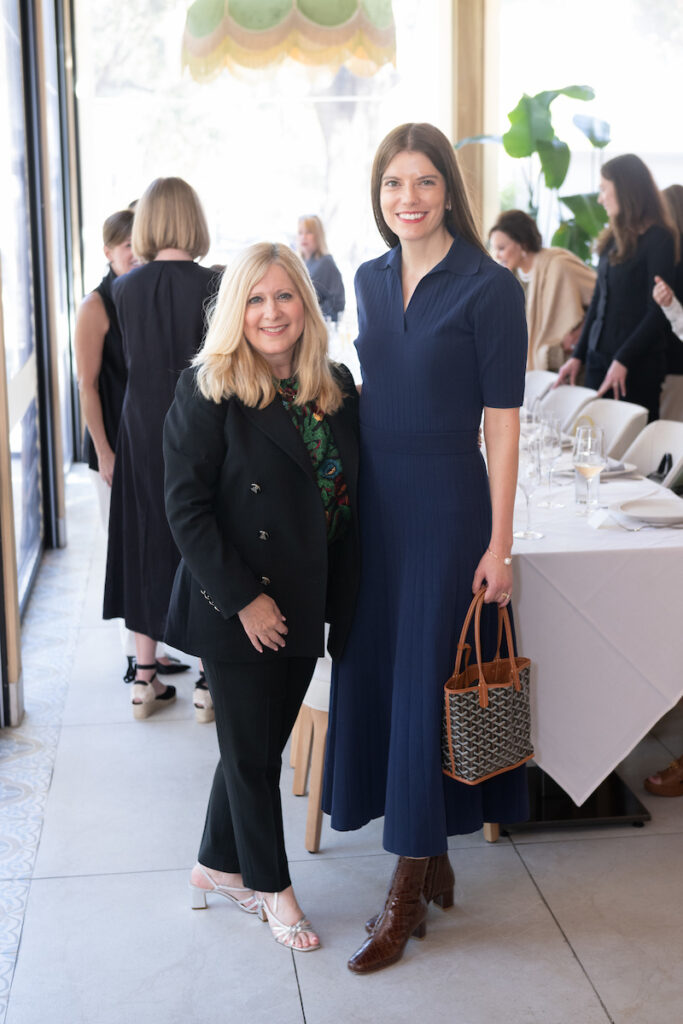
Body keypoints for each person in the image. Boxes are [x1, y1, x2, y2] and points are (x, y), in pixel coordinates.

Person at [321, 122, 529, 975]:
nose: (406, 198)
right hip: (374, 507)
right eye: (392, 184)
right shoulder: (368, 279)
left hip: (446, 503)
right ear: (379, 196)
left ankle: (405, 886)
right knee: (381, 675)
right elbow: (375, 386)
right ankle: (432, 854)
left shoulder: (489, 287)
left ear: (449, 190)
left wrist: (500, 543)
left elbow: (503, 426)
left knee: (421, 684)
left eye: (423, 183)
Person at [162, 242, 359, 952]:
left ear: (305, 305)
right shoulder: (209, 386)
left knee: (257, 745)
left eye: (284, 297)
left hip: (308, 596)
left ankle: (214, 866)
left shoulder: (333, 385)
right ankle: (273, 891)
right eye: (255, 299)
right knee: (251, 758)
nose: (271, 312)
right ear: (235, 311)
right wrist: (245, 598)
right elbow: (185, 509)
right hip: (235, 606)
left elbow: (349, 498)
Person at [102, 177, 217, 721]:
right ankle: (208, 680)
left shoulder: (124, 288)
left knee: (146, 540)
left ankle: (144, 679)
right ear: (193, 220)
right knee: (206, 537)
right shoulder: (214, 285)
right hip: (200, 425)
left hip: (140, 429)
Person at [75, 208, 190, 685]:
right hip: (116, 443)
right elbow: (87, 386)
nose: (138, 258)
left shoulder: (145, 293)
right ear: (110, 252)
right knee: (132, 545)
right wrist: (104, 451)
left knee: (161, 543)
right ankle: (138, 659)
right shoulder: (99, 304)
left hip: (150, 438)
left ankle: (155, 655)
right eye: (130, 252)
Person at [555, 154, 677, 421]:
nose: (600, 199)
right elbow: (599, 301)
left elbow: (657, 311)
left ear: (625, 189)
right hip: (599, 360)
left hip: (637, 365)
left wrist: (623, 359)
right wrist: (578, 356)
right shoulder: (611, 238)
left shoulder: (659, 239)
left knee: (633, 454)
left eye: (603, 189)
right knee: (594, 445)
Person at [489, 209, 596, 371]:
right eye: (495, 249)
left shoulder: (559, 265)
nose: (497, 255)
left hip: (570, 363)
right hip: (537, 367)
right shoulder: (514, 276)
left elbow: (605, 296)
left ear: (523, 243)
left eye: (502, 248)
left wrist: (580, 332)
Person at [297, 215, 345, 321]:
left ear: (318, 236)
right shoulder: (300, 264)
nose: (303, 237)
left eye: (308, 232)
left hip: (319, 324)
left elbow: (338, 302)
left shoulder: (326, 263)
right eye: (300, 233)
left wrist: (312, 313)